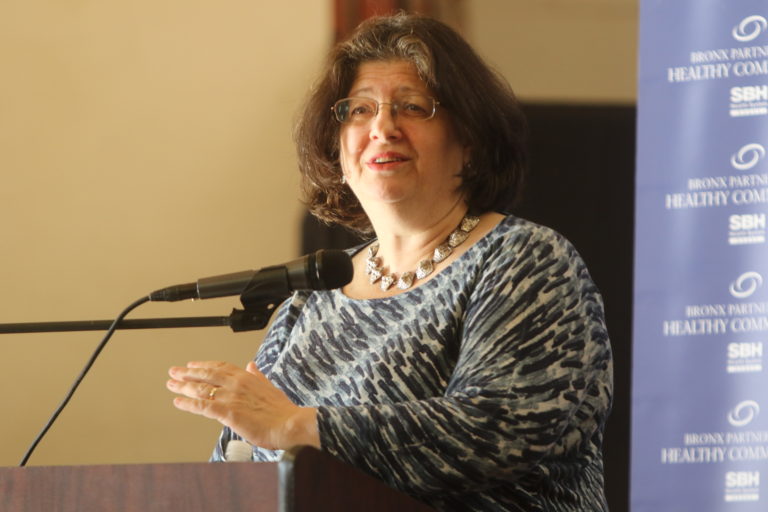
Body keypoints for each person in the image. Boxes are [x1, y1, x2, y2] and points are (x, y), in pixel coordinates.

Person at [166, 13, 613, 511]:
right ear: (338, 148)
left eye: (412, 107)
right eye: (359, 110)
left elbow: (495, 432)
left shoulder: (523, 260)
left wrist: (298, 426)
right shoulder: (313, 294)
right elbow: (242, 462)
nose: (382, 127)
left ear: (469, 140)